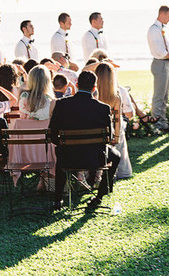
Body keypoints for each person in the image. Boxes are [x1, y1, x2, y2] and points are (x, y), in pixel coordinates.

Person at [49, 69, 121, 211]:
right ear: (94, 88)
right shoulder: (103, 108)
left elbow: (53, 135)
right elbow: (109, 137)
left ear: (76, 85)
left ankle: (58, 199)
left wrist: (64, 144)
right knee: (116, 156)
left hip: (68, 158)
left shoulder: (61, 104)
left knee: (61, 153)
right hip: (96, 158)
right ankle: (99, 196)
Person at [146, 5, 169, 131]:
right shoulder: (154, 30)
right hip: (160, 64)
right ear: (162, 14)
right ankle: (157, 125)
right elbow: (159, 51)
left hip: (166, 63)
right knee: (159, 96)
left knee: (164, 96)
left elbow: (165, 48)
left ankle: (163, 123)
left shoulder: (161, 29)